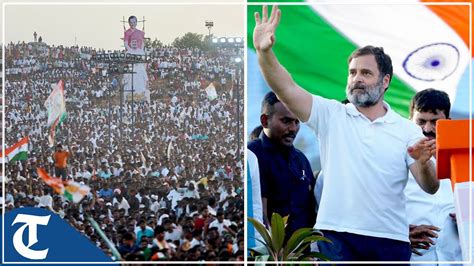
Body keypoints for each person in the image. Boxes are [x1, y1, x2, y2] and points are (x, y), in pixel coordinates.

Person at [253, 5, 438, 261]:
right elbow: (285, 88)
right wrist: (265, 53)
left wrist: (422, 161)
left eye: (365, 73)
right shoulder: (331, 115)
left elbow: (430, 186)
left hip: (390, 240)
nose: (356, 79)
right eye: (352, 73)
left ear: (385, 81)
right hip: (336, 238)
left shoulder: (407, 129)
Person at [247, 91, 316, 238]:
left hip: (303, 254)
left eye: (297, 122)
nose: (293, 128)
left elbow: (311, 209)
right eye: (286, 121)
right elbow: (259, 213)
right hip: (270, 254)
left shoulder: (301, 160)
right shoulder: (252, 156)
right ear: (265, 121)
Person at [405, 89, 462, 264]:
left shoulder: (464, 161)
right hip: (413, 259)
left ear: (448, 123)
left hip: (456, 258)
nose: (427, 129)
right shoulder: (394, 161)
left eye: (435, 122)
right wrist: (400, 234)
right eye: (420, 121)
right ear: (410, 121)